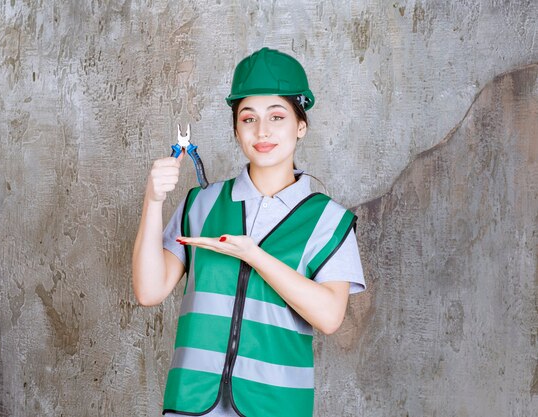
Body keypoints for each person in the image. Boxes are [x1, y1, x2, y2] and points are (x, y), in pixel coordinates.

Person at [132, 47, 366, 417]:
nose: (262, 131)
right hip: (192, 404)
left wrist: (253, 254)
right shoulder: (201, 204)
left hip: (276, 407)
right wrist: (153, 202)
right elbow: (148, 291)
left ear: (300, 125)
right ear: (236, 128)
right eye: (248, 118)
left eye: (277, 116)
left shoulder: (328, 221)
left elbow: (330, 317)